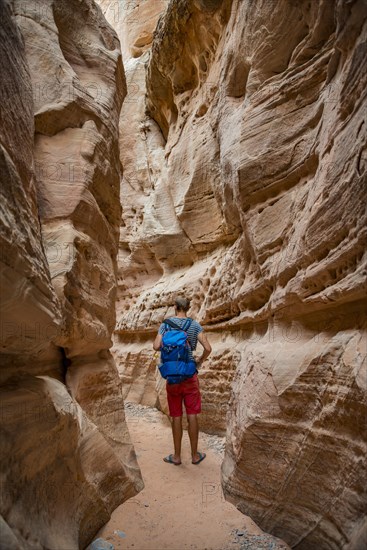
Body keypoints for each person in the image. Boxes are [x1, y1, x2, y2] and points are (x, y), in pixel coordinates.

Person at [153, 296, 212, 465]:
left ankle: (177, 456)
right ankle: (194, 456)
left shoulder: (165, 325)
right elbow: (208, 348)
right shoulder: (194, 325)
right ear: (188, 308)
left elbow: (156, 346)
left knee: (176, 416)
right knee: (192, 415)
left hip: (172, 378)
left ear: (174, 307)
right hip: (189, 375)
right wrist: (199, 361)